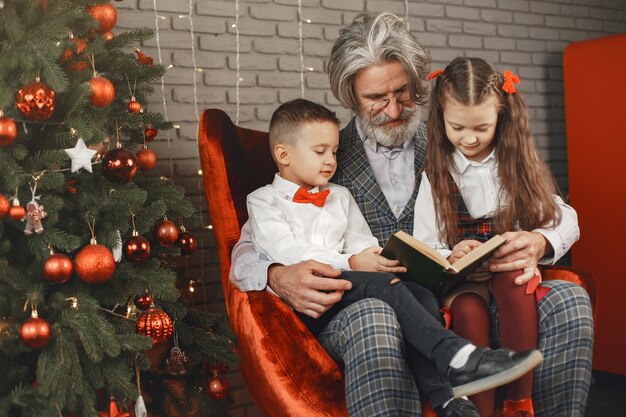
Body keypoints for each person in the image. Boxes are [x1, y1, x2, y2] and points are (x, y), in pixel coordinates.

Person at [231, 11, 594, 417]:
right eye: (375, 99)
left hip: (463, 294)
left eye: (402, 93)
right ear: (350, 96)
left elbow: (556, 209)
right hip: (366, 306)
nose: (392, 108)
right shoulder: (322, 155)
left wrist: (540, 241)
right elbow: (248, 245)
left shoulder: (456, 136)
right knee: (375, 315)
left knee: (568, 298)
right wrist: (277, 275)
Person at [246, 98, 545, 416]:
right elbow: (288, 254)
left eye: (334, 151)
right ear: (283, 154)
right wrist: (351, 263)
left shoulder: (339, 196)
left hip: (348, 288)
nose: (330, 160)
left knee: (419, 293)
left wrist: (378, 257)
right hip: (310, 304)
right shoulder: (264, 201)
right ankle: (457, 356)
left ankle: (446, 398)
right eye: (320, 151)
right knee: (386, 286)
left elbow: (361, 243)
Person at [412, 56, 578, 417]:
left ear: (500, 118)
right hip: (464, 281)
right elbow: (427, 244)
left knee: (515, 281)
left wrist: (535, 241)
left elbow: (563, 217)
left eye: (481, 128)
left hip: (508, 270)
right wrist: (453, 253)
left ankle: (519, 403)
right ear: (440, 119)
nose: (469, 138)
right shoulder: (435, 174)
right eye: (457, 127)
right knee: (469, 311)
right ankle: (480, 412)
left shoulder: (515, 162)